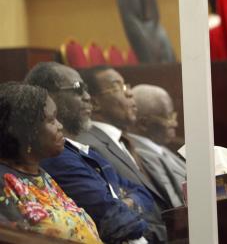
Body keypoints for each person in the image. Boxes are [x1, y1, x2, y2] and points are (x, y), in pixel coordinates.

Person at [25, 62, 165, 244]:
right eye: (78, 89)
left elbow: (142, 194)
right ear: (48, 96)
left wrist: (124, 204)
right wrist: (125, 203)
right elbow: (117, 221)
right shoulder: (56, 157)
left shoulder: (87, 152)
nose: (87, 97)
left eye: (87, 89)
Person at [0, 82, 102, 243]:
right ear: (25, 131)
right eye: (51, 120)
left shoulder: (40, 174)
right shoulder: (4, 182)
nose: (60, 126)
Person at [78, 66, 184, 209]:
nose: (129, 94)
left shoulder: (125, 142)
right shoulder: (89, 147)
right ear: (94, 103)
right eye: (118, 87)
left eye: (126, 86)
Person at [130, 84, 186, 198]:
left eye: (173, 115)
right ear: (144, 124)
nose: (175, 123)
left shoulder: (160, 147)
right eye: (168, 117)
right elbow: (175, 203)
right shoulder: (138, 156)